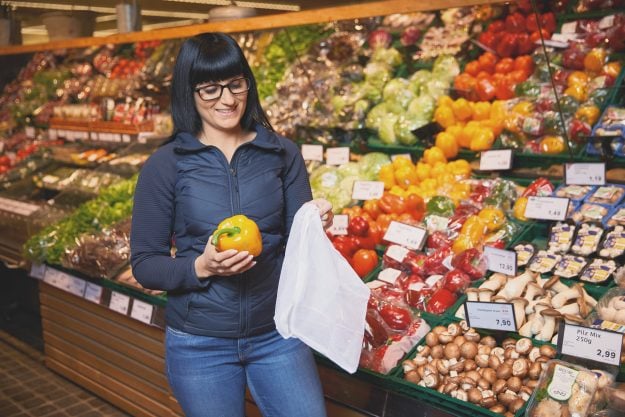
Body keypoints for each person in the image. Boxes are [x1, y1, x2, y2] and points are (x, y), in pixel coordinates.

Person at [130, 32, 333, 417]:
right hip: (198, 343)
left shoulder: (281, 153)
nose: (227, 99)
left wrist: (316, 222)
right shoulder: (166, 164)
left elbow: (300, 250)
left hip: (277, 333)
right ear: (188, 93)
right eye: (210, 89)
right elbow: (145, 263)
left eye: (235, 84)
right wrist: (200, 267)